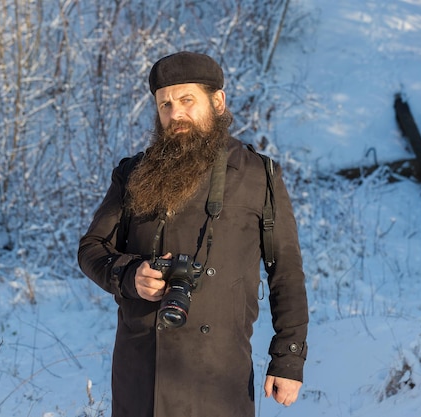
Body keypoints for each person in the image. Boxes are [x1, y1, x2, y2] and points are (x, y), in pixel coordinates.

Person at [78, 51, 308, 417]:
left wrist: (288, 358)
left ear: (217, 101)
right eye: (165, 104)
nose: (175, 114)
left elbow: (286, 272)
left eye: (187, 100)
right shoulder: (134, 173)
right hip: (141, 371)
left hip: (220, 375)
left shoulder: (258, 175)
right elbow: (91, 249)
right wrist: (128, 274)